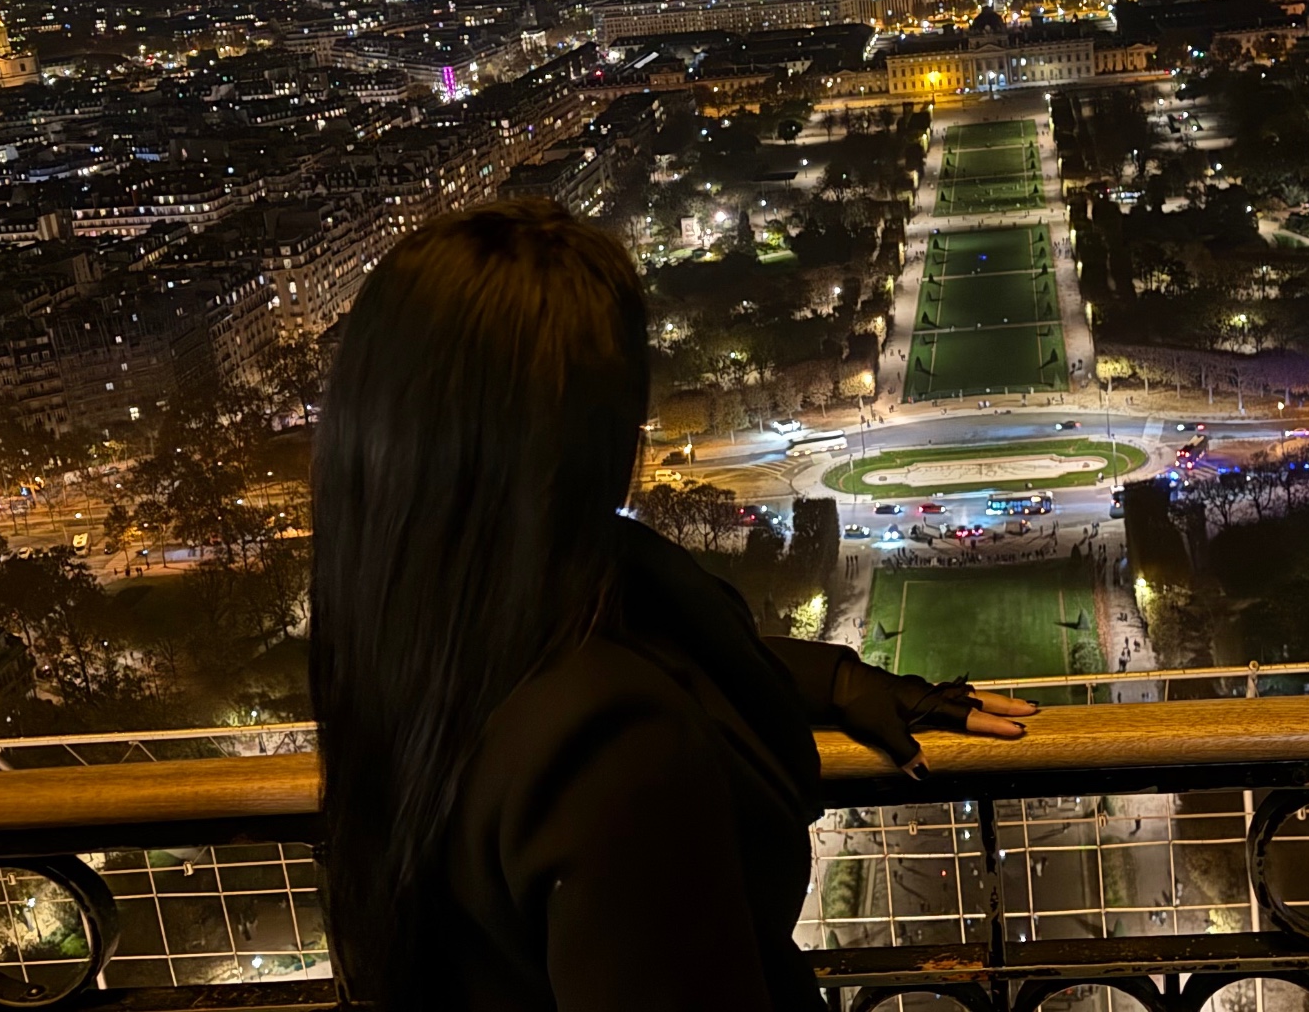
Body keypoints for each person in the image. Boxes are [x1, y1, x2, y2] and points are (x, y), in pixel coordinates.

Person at [310, 200, 1035, 1012]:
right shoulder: (612, 743)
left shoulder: (396, 648)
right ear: (592, 439)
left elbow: (638, 641)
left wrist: (832, 680)